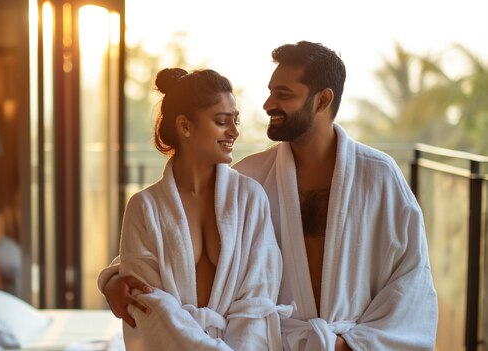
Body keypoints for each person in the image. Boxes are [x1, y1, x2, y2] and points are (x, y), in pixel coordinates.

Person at [100, 42, 438, 350]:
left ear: (322, 100)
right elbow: (173, 242)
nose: (268, 104)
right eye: (270, 91)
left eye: (284, 94)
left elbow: (411, 280)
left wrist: (350, 345)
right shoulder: (251, 178)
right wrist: (114, 278)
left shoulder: (377, 176)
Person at [110, 67, 291, 351]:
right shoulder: (145, 207)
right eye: (222, 121)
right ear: (185, 126)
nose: (234, 132)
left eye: (236, 121)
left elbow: (258, 300)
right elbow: (149, 309)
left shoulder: (249, 198)